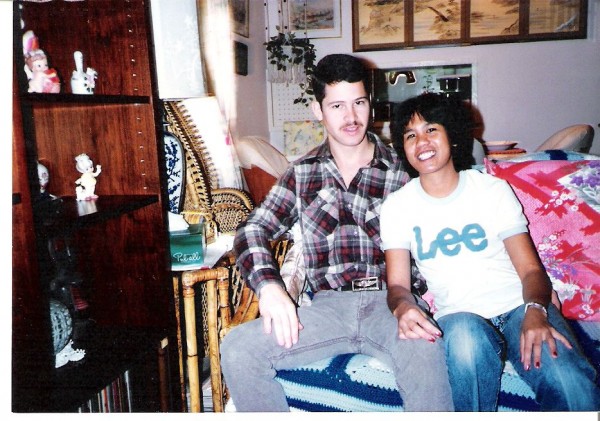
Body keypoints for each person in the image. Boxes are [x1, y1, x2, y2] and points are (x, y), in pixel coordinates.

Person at [220, 54, 453, 412]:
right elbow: (253, 228)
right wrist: (269, 287)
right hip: (326, 309)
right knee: (238, 348)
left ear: (370, 104)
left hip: (392, 304)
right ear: (318, 110)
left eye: (359, 103)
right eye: (337, 106)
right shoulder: (302, 173)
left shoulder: (403, 170)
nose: (351, 117)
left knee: (425, 350)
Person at [380, 92, 600, 411]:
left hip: (519, 306)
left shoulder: (491, 190)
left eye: (431, 129)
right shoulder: (397, 207)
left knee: (569, 382)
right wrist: (402, 307)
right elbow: (398, 285)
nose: (421, 141)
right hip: (460, 318)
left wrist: (536, 310)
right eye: (410, 135)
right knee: (465, 343)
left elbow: (531, 271)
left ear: (453, 135)